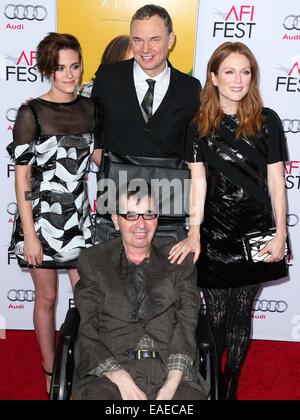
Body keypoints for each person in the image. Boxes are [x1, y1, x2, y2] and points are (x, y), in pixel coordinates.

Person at [191, 42, 288, 399]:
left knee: (241, 314)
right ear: (214, 77)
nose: (238, 79)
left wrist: (280, 233)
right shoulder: (198, 126)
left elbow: (276, 181)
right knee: (215, 317)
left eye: (245, 72)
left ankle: (230, 383)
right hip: (214, 234)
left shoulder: (268, 121)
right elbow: (197, 184)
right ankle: (213, 381)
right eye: (229, 71)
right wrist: (193, 234)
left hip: (257, 232)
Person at [6, 32, 101, 394]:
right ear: (48, 69)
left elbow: (98, 159)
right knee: (45, 299)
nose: (70, 75)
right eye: (61, 67)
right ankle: (50, 370)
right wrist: (29, 234)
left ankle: (84, 366)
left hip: (78, 219)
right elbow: (23, 180)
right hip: (41, 222)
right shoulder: (31, 113)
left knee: (88, 299)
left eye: (75, 66)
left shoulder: (91, 109)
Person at [91, 4, 205, 263]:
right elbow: (94, 136)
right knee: (113, 293)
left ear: (171, 40)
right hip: (116, 210)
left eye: (154, 39)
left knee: (164, 295)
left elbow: (194, 154)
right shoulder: (107, 78)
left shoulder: (190, 89)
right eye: (138, 40)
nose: (145, 49)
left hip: (169, 209)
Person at [72, 186, 209, 400]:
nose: (141, 224)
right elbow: (87, 327)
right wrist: (118, 376)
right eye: (131, 215)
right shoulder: (93, 261)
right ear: (116, 220)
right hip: (111, 370)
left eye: (149, 214)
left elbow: (186, 323)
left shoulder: (180, 260)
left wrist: (171, 384)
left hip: (171, 369)